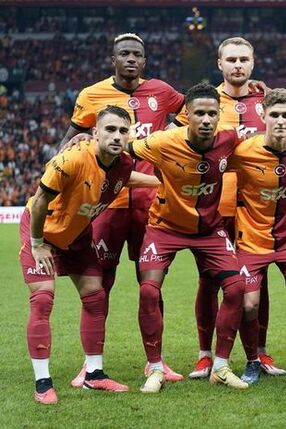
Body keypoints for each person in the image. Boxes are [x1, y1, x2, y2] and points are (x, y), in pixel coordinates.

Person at [63, 33, 186, 385]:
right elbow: (69, 139)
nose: (131, 59)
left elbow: (194, 109)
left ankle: (155, 362)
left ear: (144, 62)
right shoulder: (92, 95)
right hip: (107, 205)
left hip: (151, 205)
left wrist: (172, 130)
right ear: (113, 59)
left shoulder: (162, 92)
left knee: (151, 285)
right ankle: (91, 364)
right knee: (99, 285)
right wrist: (72, 152)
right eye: (124, 54)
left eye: (136, 54)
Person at [20, 106, 160, 404]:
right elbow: (41, 198)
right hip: (42, 233)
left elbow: (126, 178)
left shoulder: (122, 163)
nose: (117, 136)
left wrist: (163, 181)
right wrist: (37, 242)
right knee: (43, 299)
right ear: (95, 132)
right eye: (110, 129)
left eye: (123, 131)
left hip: (78, 235)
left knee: (95, 297)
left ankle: (94, 375)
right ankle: (42, 382)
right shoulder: (72, 158)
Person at [173, 37, 286, 379]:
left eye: (244, 59)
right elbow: (178, 143)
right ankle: (205, 355)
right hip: (213, 205)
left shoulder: (266, 100)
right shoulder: (204, 102)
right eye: (232, 59)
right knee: (209, 279)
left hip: (257, 208)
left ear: (253, 63)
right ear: (219, 64)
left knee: (259, 280)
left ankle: (260, 352)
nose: (238, 65)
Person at [130, 83, 248, 392]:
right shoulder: (163, 141)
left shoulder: (229, 139)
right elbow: (123, 150)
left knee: (236, 288)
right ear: (187, 115)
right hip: (164, 227)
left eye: (212, 113)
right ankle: (155, 368)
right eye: (199, 113)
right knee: (148, 291)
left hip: (209, 230)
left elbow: (263, 143)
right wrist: (88, 140)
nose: (206, 120)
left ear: (219, 115)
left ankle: (220, 367)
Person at [228, 89, 286, 385]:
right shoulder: (243, 150)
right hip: (251, 240)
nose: (281, 121)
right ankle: (252, 361)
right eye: (275, 115)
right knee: (248, 305)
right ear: (263, 115)